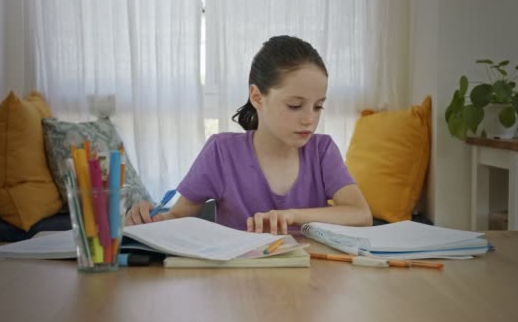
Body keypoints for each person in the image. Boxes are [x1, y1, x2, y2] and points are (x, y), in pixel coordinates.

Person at [125, 35, 372, 234]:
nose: (310, 118)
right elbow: (177, 217)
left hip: (312, 283)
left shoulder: (322, 151)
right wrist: (146, 218)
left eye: (318, 106)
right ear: (257, 97)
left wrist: (294, 215)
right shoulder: (222, 151)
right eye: (295, 105)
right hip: (236, 287)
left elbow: (361, 215)